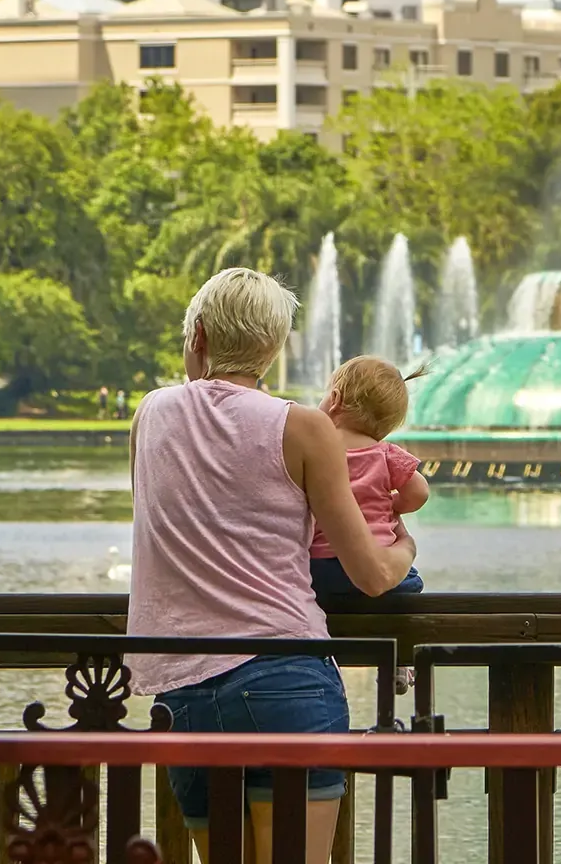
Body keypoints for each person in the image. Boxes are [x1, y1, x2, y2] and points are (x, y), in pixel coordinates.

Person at [127, 268, 416, 864]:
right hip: (287, 675)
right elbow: (370, 575)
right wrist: (405, 547)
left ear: (198, 337)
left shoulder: (150, 414)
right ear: (273, 347)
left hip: (182, 685)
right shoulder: (303, 427)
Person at [309, 355, 429, 603]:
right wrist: (393, 506)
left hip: (322, 566)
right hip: (380, 557)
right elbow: (420, 492)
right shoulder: (386, 454)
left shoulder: (315, 450)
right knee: (412, 580)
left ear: (335, 399)